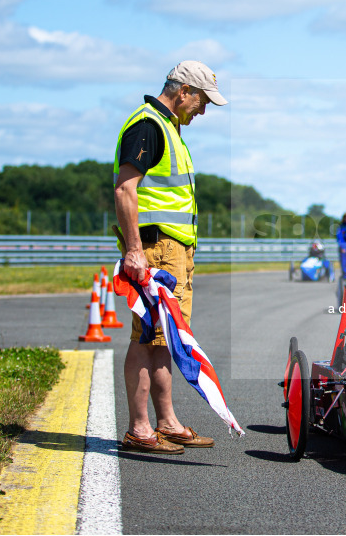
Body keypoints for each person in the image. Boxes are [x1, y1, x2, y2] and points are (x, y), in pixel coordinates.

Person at [113, 60, 227, 454]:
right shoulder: (148, 125)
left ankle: (167, 422)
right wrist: (133, 251)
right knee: (146, 335)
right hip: (156, 248)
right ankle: (141, 429)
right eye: (202, 101)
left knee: (164, 337)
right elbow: (126, 189)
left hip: (172, 248)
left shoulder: (169, 127)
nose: (204, 110)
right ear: (183, 92)